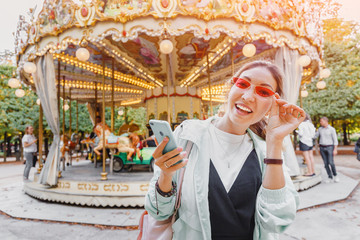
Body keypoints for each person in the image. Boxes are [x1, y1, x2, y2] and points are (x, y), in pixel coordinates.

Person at [145, 61, 305, 239]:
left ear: (273, 104)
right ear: (230, 88)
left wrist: (274, 141)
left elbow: (275, 222)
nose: (248, 96)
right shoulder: (188, 135)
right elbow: (159, 211)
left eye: (263, 92)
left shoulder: (266, 153)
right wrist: (166, 176)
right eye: (243, 84)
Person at [315, 117, 339, 183]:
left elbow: (335, 140)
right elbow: (315, 136)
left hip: (330, 147)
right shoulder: (320, 129)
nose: (320, 122)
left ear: (326, 121)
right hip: (322, 147)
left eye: (321, 121)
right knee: (325, 164)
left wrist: (335, 149)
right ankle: (330, 176)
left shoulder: (332, 129)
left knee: (331, 162)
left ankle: (335, 175)